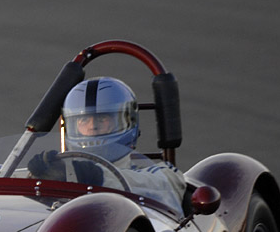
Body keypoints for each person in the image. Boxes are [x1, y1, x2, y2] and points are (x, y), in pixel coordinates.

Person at [28, 77, 187, 211]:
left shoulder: (163, 177)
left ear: (128, 122)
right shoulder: (63, 173)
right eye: (83, 120)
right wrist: (34, 178)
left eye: (102, 119)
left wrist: (93, 176)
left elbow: (166, 186)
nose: (92, 126)